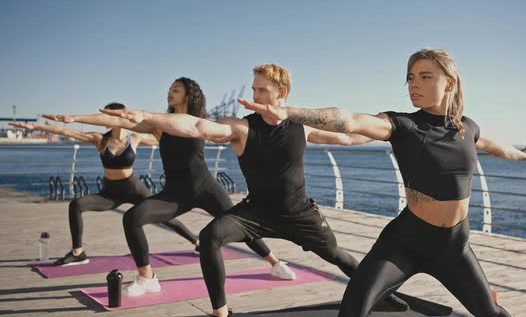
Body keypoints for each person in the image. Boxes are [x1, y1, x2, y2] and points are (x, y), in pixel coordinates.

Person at [240, 49, 526, 317]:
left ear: (449, 83)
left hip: (453, 246)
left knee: (489, 312)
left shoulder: (467, 128)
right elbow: (348, 120)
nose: (414, 84)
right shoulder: (403, 124)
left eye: (425, 77)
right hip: (405, 241)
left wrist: (521, 156)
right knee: (353, 308)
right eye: (411, 77)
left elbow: (493, 146)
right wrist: (289, 113)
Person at [99, 64, 406, 317]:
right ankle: (222, 313)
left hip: (299, 213)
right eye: (254, 89)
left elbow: (348, 138)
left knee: (338, 255)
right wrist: (149, 116)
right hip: (255, 212)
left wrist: (393, 133)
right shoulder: (243, 127)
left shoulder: (302, 126)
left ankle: (382, 295)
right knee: (210, 237)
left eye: (262, 90)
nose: (254, 95)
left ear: (281, 93)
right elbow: (198, 127)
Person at [42, 78, 293, 297]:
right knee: (132, 218)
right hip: (175, 193)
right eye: (170, 89)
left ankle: (274, 262)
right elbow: (117, 120)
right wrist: (75, 118)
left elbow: (241, 134)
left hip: (206, 188)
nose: (170, 92)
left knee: (243, 227)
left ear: (189, 94)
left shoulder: (200, 121)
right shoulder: (158, 125)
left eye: (176, 89)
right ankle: (147, 278)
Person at [11, 103, 199, 266]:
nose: (104, 120)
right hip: (110, 192)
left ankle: (197, 242)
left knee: (164, 215)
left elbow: (163, 140)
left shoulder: (135, 138)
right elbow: (66, 131)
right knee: (76, 205)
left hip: (134, 189)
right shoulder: (100, 139)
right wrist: (33, 126)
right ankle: (78, 253)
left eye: (109, 116)